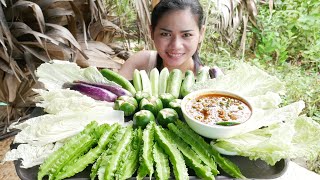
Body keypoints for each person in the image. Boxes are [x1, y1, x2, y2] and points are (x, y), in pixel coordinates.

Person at [118, 0, 206, 80]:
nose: (176, 45)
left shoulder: (210, 82)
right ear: (152, 32)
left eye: (186, 35)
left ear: (201, 33)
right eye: (165, 34)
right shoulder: (140, 64)